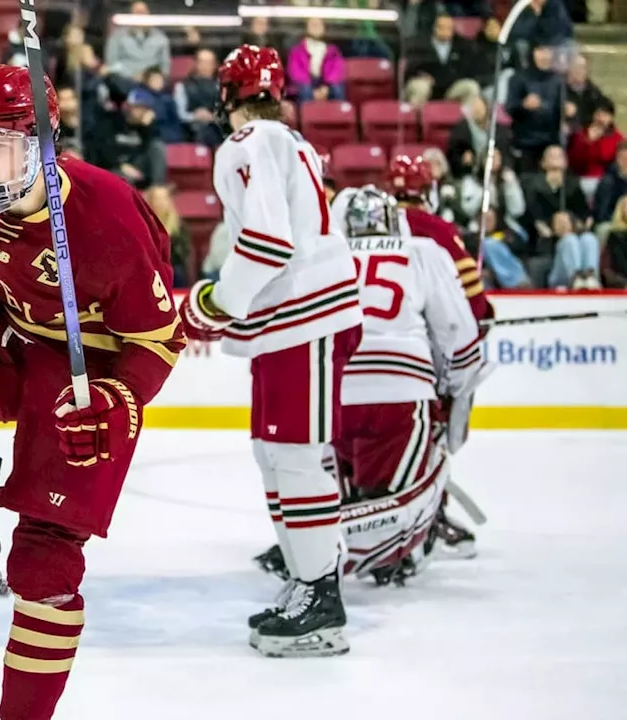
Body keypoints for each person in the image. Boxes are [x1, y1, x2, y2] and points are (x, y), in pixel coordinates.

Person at [0, 64, 185, 720]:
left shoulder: (107, 213)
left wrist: (123, 400)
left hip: (94, 379)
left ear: (44, 147)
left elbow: (161, 336)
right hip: (21, 347)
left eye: (1, 145)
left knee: (44, 571)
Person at [178, 45, 362, 658]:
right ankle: (306, 580)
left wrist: (217, 302)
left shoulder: (247, 143)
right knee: (276, 453)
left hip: (302, 316)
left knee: (297, 456)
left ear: (226, 95)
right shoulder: (291, 141)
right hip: (294, 319)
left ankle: (319, 597)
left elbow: (266, 240)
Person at [332, 186, 486, 586]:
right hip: (402, 392)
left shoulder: (323, 257)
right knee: (409, 478)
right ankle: (400, 546)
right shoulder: (422, 252)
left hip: (334, 395)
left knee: (352, 485)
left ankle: (320, 546)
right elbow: (458, 333)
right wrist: (453, 386)